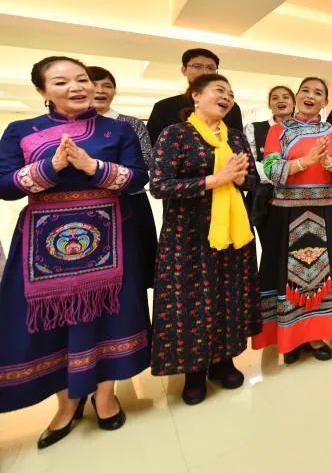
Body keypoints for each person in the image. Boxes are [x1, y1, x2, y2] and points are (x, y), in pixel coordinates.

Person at [0, 56, 149, 447]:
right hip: (43, 246)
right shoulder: (20, 131)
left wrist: (91, 166)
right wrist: (50, 167)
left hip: (110, 239)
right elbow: (4, 185)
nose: (76, 87)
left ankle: (105, 396)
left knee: (110, 317)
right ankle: (66, 404)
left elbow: (137, 179)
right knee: (52, 325)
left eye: (82, 79)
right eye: (61, 81)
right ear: (43, 91)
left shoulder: (118, 129)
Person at [150, 74, 261, 405]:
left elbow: (252, 181)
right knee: (192, 300)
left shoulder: (235, 137)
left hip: (233, 233)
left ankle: (224, 361)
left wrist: (239, 179)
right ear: (196, 96)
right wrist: (216, 179)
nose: (227, 97)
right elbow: (160, 185)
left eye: (231, 93)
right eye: (219, 90)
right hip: (189, 235)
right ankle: (194, 372)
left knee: (229, 295)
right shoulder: (176, 134)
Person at [251, 77, 332, 363]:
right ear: (298, 96)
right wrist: (304, 162)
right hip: (287, 212)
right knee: (289, 275)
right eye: (306, 91)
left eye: (318, 93)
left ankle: (316, 335)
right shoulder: (278, 130)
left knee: (322, 275)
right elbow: (270, 168)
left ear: (325, 102)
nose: (311, 96)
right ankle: (291, 336)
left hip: (326, 211)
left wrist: (330, 163)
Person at [88, 65, 160, 289]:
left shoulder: (131, 123)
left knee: (133, 266)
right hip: (87, 204)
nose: (100, 90)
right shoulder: (71, 125)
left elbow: (146, 160)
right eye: (94, 85)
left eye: (107, 86)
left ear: (114, 91)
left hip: (130, 201)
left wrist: (95, 168)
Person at [146, 48, 243, 144]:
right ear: (184, 70)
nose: (205, 72)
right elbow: (152, 146)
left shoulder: (230, 108)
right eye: (197, 66)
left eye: (210, 68)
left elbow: (238, 144)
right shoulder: (164, 107)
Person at [243, 85, 295, 228]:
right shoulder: (254, 129)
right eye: (275, 98)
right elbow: (251, 161)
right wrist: (280, 176)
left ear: (293, 103)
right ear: (270, 105)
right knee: (269, 238)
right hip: (265, 197)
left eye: (285, 97)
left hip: (298, 195)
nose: (280, 100)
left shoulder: (305, 130)